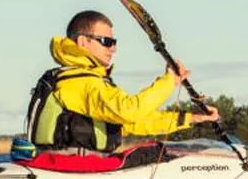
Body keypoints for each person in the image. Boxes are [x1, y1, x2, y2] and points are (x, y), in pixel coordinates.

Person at [24, 10, 220, 168]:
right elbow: (128, 111)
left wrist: (192, 118)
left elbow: (131, 122)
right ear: (83, 42)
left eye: (114, 43)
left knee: (154, 151)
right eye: (106, 42)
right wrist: (169, 81)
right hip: (72, 168)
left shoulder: (80, 79)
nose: (113, 49)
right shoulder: (78, 82)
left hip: (70, 166)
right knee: (161, 154)